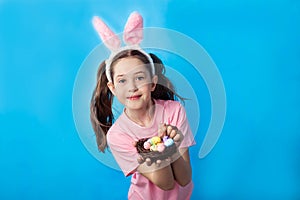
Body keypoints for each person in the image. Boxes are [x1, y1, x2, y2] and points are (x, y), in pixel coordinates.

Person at [90, 11, 196, 200]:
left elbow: (184, 179)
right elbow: (166, 183)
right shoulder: (118, 135)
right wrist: (163, 147)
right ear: (112, 88)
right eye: (122, 81)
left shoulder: (173, 111)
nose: (132, 87)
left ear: (153, 83)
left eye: (139, 77)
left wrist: (174, 143)